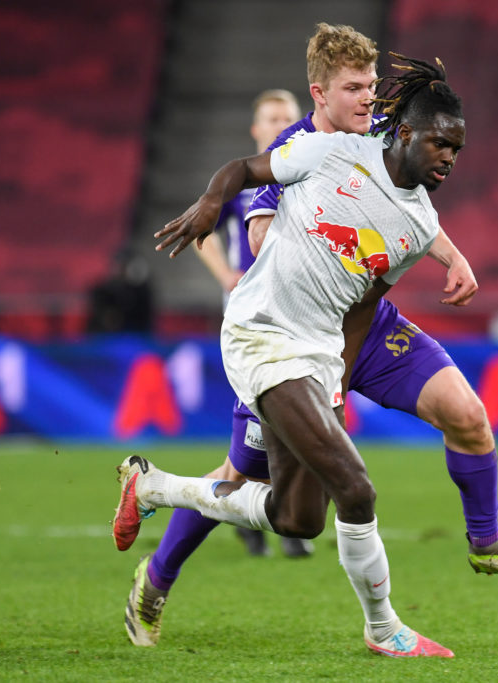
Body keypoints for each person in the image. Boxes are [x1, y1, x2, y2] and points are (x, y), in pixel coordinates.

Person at [119, 23, 498, 651]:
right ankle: (156, 581)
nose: (368, 99)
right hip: (276, 331)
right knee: (249, 474)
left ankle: (486, 543)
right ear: (320, 94)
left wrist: (451, 259)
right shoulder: (309, 151)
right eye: (355, 88)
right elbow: (262, 228)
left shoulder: (387, 143)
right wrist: (229, 212)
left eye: (373, 86)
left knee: (461, 421)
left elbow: (388, 258)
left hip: (351, 329)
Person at [191, 88, 314, 559]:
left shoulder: (307, 170)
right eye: (272, 118)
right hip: (253, 314)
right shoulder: (242, 179)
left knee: (288, 412)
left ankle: (257, 509)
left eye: (288, 115)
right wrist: (225, 274)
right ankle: (263, 510)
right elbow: (201, 228)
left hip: (301, 310)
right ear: (257, 129)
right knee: (271, 412)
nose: (281, 122)